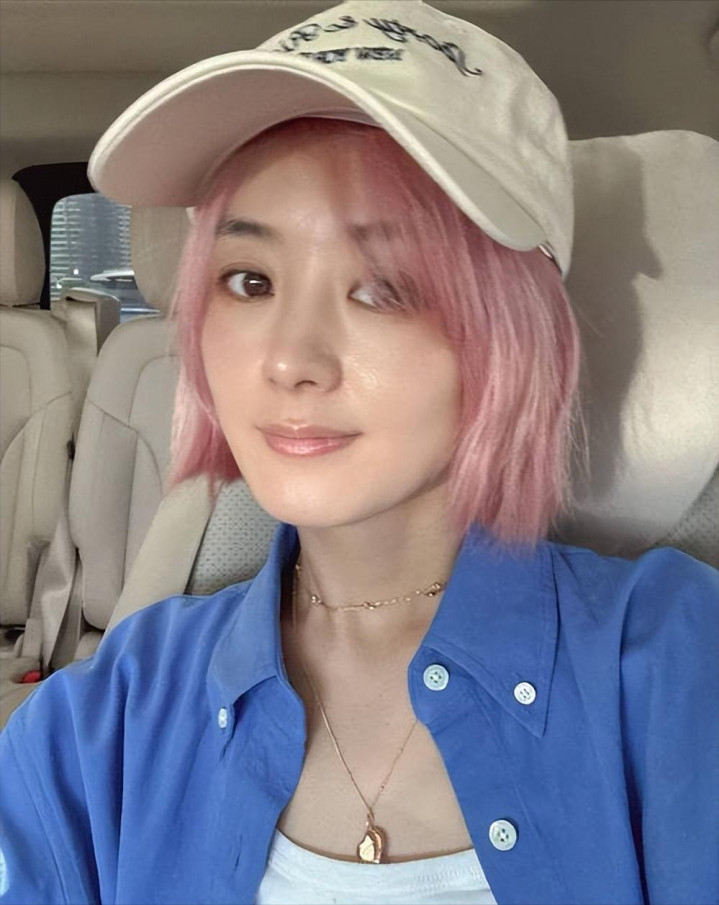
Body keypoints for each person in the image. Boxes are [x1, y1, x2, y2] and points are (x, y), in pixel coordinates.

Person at [1, 1, 718, 904]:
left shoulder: (679, 669)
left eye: (383, 288)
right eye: (249, 280)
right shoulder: (103, 716)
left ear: (514, 335)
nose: (288, 359)